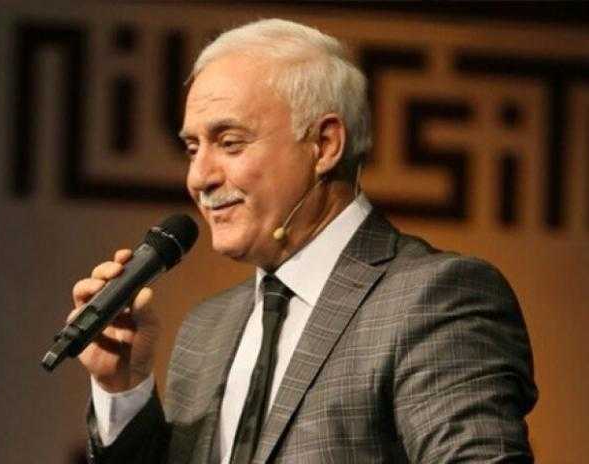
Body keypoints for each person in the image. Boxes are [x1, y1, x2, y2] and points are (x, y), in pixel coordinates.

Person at [68, 18, 537, 463]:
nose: (199, 177)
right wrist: (123, 387)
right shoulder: (206, 329)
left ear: (325, 145)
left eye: (230, 143)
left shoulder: (435, 299)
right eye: (193, 148)